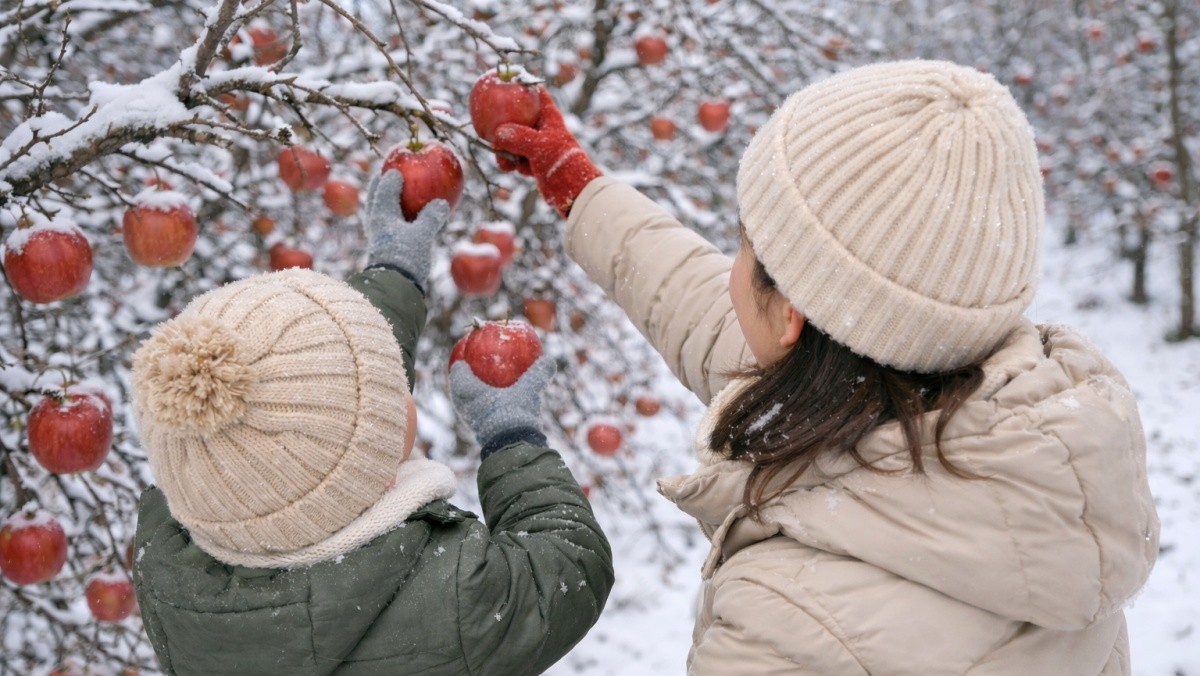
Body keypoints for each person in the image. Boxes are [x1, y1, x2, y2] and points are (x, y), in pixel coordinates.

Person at [491, 59, 1159, 674]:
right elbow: (703, 305)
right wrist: (579, 187)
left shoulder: (788, 624)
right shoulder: (1045, 479)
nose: (730, 270)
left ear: (791, 317)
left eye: (745, 246)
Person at [129, 170, 613, 675]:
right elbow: (571, 564)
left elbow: (326, 392)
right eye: (391, 395)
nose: (401, 394)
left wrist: (395, 267)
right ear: (370, 468)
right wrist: (510, 433)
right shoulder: (455, 605)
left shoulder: (172, 571)